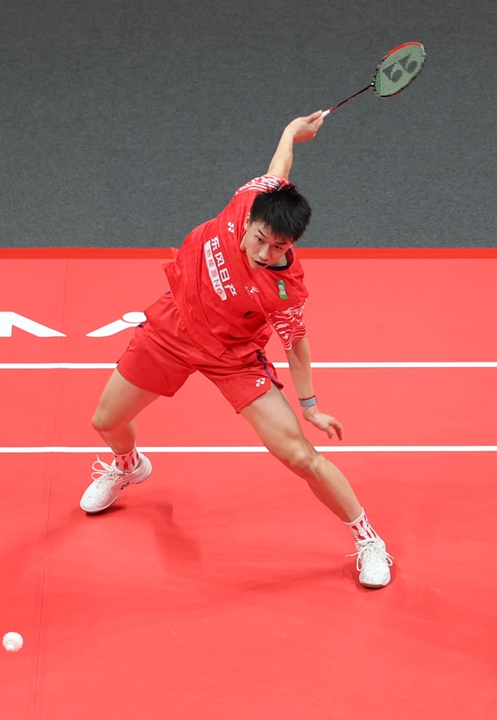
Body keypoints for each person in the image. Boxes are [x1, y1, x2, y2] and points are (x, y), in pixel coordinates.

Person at [80, 111, 392, 589]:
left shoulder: (283, 288)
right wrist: (292, 131)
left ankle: (368, 538)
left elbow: (297, 347)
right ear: (248, 218)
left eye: (278, 246)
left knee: (300, 457)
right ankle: (129, 466)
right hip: (173, 326)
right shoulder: (250, 196)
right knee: (106, 422)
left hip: (232, 357)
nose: (264, 252)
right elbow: (280, 169)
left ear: (293, 244)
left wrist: (310, 407)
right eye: (260, 239)